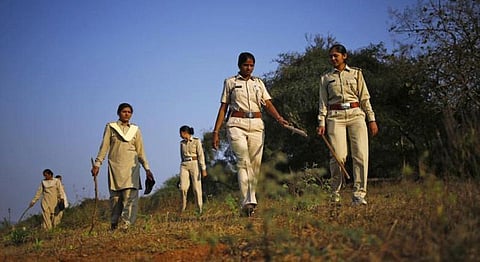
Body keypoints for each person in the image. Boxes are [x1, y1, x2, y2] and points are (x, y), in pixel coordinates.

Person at [212, 52, 289, 216]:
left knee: (255, 164)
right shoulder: (230, 83)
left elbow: (267, 104)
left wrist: (279, 118)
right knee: (243, 160)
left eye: (251, 65)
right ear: (239, 65)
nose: (249, 68)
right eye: (246, 65)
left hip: (256, 124)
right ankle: (248, 200)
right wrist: (216, 131)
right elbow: (223, 108)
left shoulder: (259, 83)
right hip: (236, 124)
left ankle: (248, 207)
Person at [317, 44, 379, 205]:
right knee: (338, 156)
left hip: (356, 114)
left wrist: (371, 119)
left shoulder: (357, 73)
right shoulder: (325, 78)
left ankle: (359, 195)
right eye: (330, 56)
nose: (332, 59)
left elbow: (364, 98)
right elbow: (323, 102)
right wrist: (321, 122)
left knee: (361, 155)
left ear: (344, 56)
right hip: (335, 117)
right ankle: (335, 193)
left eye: (335, 55)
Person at [91, 102, 154, 230]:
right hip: (115, 166)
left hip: (132, 166)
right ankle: (114, 223)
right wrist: (98, 164)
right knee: (115, 197)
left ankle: (126, 225)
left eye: (129, 112)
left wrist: (147, 168)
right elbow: (104, 147)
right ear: (119, 113)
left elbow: (141, 151)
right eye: (124, 111)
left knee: (130, 196)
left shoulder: (135, 130)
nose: (127, 114)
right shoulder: (111, 127)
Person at [179, 125, 207, 213]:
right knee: (183, 187)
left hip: (194, 164)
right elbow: (181, 155)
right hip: (184, 165)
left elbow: (201, 155)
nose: (180, 135)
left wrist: (203, 168)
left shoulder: (196, 141)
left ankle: (199, 208)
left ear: (184, 132)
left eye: (181, 133)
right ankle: (183, 208)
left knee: (196, 188)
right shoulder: (181, 143)